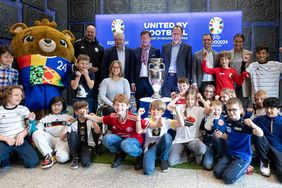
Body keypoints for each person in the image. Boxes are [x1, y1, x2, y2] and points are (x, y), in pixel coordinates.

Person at [83, 94, 149, 169]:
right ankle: (120, 153)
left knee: (125, 144)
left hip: (133, 141)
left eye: (122, 105)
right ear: (113, 106)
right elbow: (99, 119)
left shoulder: (133, 117)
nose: (119, 107)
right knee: (106, 139)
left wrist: (143, 130)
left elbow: (148, 125)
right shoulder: (112, 116)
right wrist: (86, 116)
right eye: (117, 105)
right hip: (120, 139)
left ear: (127, 106)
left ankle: (139, 155)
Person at [213, 98, 263, 184]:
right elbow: (228, 136)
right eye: (229, 110)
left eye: (234, 110)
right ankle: (234, 166)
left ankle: (247, 167)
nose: (231, 112)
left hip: (243, 157)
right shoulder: (228, 121)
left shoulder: (245, 124)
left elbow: (260, 134)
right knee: (217, 173)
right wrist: (221, 135)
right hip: (230, 153)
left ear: (240, 110)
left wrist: (253, 125)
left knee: (227, 179)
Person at [136, 100, 183, 175]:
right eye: (153, 109)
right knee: (148, 171)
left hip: (162, 145)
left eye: (158, 109)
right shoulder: (146, 120)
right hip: (151, 146)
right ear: (150, 111)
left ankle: (163, 158)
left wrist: (177, 111)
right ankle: (150, 157)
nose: (155, 111)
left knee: (167, 137)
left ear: (163, 112)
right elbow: (139, 131)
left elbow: (181, 124)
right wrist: (138, 116)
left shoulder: (166, 121)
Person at [0, 85, 39, 172]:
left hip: (20, 140)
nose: (19, 97)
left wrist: (21, 134)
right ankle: (9, 155)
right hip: (4, 140)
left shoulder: (24, 109)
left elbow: (30, 127)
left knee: (32, 163)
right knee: (3, 163)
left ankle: (14, 154)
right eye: (16, 95)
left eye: (21, 95)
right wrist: (5, 138)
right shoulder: (0, 110)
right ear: (8, 95)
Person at [168, 88, 210, 166]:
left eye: (192, 99)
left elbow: (208, 109)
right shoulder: (180, 108)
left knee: (202, 149)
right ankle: (187, 155)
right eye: (187, 99)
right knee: (171, 162)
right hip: (179, 140)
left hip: (192, 139)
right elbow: (169, 107)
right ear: (185, 99)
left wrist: (201, 99)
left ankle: (194, 153)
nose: (190, 101)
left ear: (195, 100)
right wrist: (179, 97)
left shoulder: (198, 110)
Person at [31, 96, 74, 169]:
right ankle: (49, 155)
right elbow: (36, 131)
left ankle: (57, 153)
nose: (56, 107)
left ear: (63, 106)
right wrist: (32, 121)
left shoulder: (68, 117)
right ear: (51, 106)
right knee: (36, 133)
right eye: (54, 105)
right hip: (50, 139)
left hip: (63, 140)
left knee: (62, 159)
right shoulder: (45, 118)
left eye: (59, 105)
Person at [73, 25, 104, 113]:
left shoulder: (100, 47)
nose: (90, 33)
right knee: (79, 97)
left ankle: (92, 115)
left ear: (95, 33)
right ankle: (78, 116)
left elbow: (103, 63)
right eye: (88, 31)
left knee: (93, 97)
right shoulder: (77, 44)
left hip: (94, 77)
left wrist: (97, 69)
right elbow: (73, 59)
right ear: (85, 32)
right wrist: (77, 68)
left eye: (92, 32)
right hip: (79, 77)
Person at [63, 100, 100, 169]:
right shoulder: (73, 122)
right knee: (71, 134)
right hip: (77, 145)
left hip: (88, 145)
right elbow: (62, 137)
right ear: (76, 112)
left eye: (86, 109)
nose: (84, 111)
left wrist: (93, 120)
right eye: (82, 109)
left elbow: (97, 131)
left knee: (85, 163)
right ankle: (75, 157)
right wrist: (67, 124)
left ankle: (82, 154)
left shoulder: (90, 121)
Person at [252, 97, 282, 182]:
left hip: (278, 151)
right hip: (264, 149)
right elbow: (246, 129)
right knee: (257, 131)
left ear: (278, 110)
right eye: (266, 108)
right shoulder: (258, 120)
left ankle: (272, 161)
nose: (268, 110)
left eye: (272, 108)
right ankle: (264, 161)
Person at [161, 25, 192, 97]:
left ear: (182, 35)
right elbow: (161, 64)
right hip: (167, 78)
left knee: (179, 101)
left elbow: (189, 66)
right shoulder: (165, 47)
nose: (176, 36)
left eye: (178, 34)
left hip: (180, 79)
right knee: (166, 100)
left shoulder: (187, 48)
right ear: (172, 34)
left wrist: (188, 81)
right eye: (174, 33)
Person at [131, 30, 160, 107]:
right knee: (139, 101)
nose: (145, 40)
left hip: (151, 81)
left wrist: (157, 82)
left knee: (151, 102)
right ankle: (139, 117)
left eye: (146, 38)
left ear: (150, 39)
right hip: (139, 81)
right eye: (143, 38)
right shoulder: (135, 51)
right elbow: (132, 67)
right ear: (141, 39)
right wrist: (133, 82)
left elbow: (158, 69)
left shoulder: (156, 51)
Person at [201, 100, 227, 170]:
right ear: (211, 109)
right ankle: (212, 158)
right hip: (208, 145)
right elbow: (207, 128)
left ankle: (219, 157)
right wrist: (211, 117)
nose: (216, 112)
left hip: (219, 146)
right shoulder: (207, 118)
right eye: (214, 109)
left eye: (218, 110)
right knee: (207, 165)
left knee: (217, 136)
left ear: (221, 111)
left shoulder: (223, 119)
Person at [229, 34, 253, 107]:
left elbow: (250, 68)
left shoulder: (249, 54)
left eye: (240, 41)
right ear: (233, 41)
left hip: (243, 81)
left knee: (243, 102)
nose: (238, 43)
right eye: (236, 41)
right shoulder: (228, 53)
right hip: (231, 80)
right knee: (232, 101)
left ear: (243, 42)